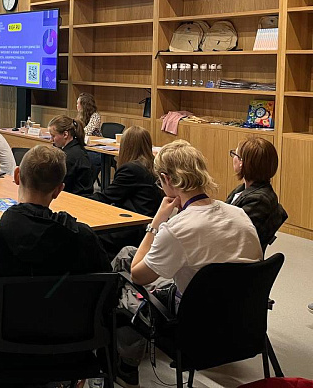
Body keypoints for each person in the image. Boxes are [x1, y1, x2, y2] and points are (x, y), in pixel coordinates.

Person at [119, 140, 262, 386]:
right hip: (244, 321)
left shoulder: (176, 229)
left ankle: (125, 366)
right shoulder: (239, 214)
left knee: (124, 270)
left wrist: (157, 222)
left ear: (167, 179)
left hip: (195, 326)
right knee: (131, 254)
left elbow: (138, 276)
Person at [0, 145, 110, 336]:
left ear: (17, 176)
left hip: (1, 340)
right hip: (71, 337)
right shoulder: (83, 237)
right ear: (58, 190)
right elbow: (106, 288)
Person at [89, 126, 162, 258]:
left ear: (126, 145)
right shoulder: (153, 164)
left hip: (131, 228)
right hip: (146, 225)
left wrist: (79, 200)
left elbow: (107, 197)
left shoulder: (132, 169)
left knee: (87, 235)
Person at [227, 137, 288, 251]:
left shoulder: (259, 200)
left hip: (237, 256)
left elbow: (233, 234)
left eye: (235, 154)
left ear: (242, 163)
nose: (233, 158)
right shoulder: (242, 189)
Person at [47, 115, 94, 196]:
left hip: (76, 197)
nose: (51, 140)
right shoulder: (75, 148)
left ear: (65, 134)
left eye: (53, 136)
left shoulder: (69, 156)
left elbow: (58, 183)